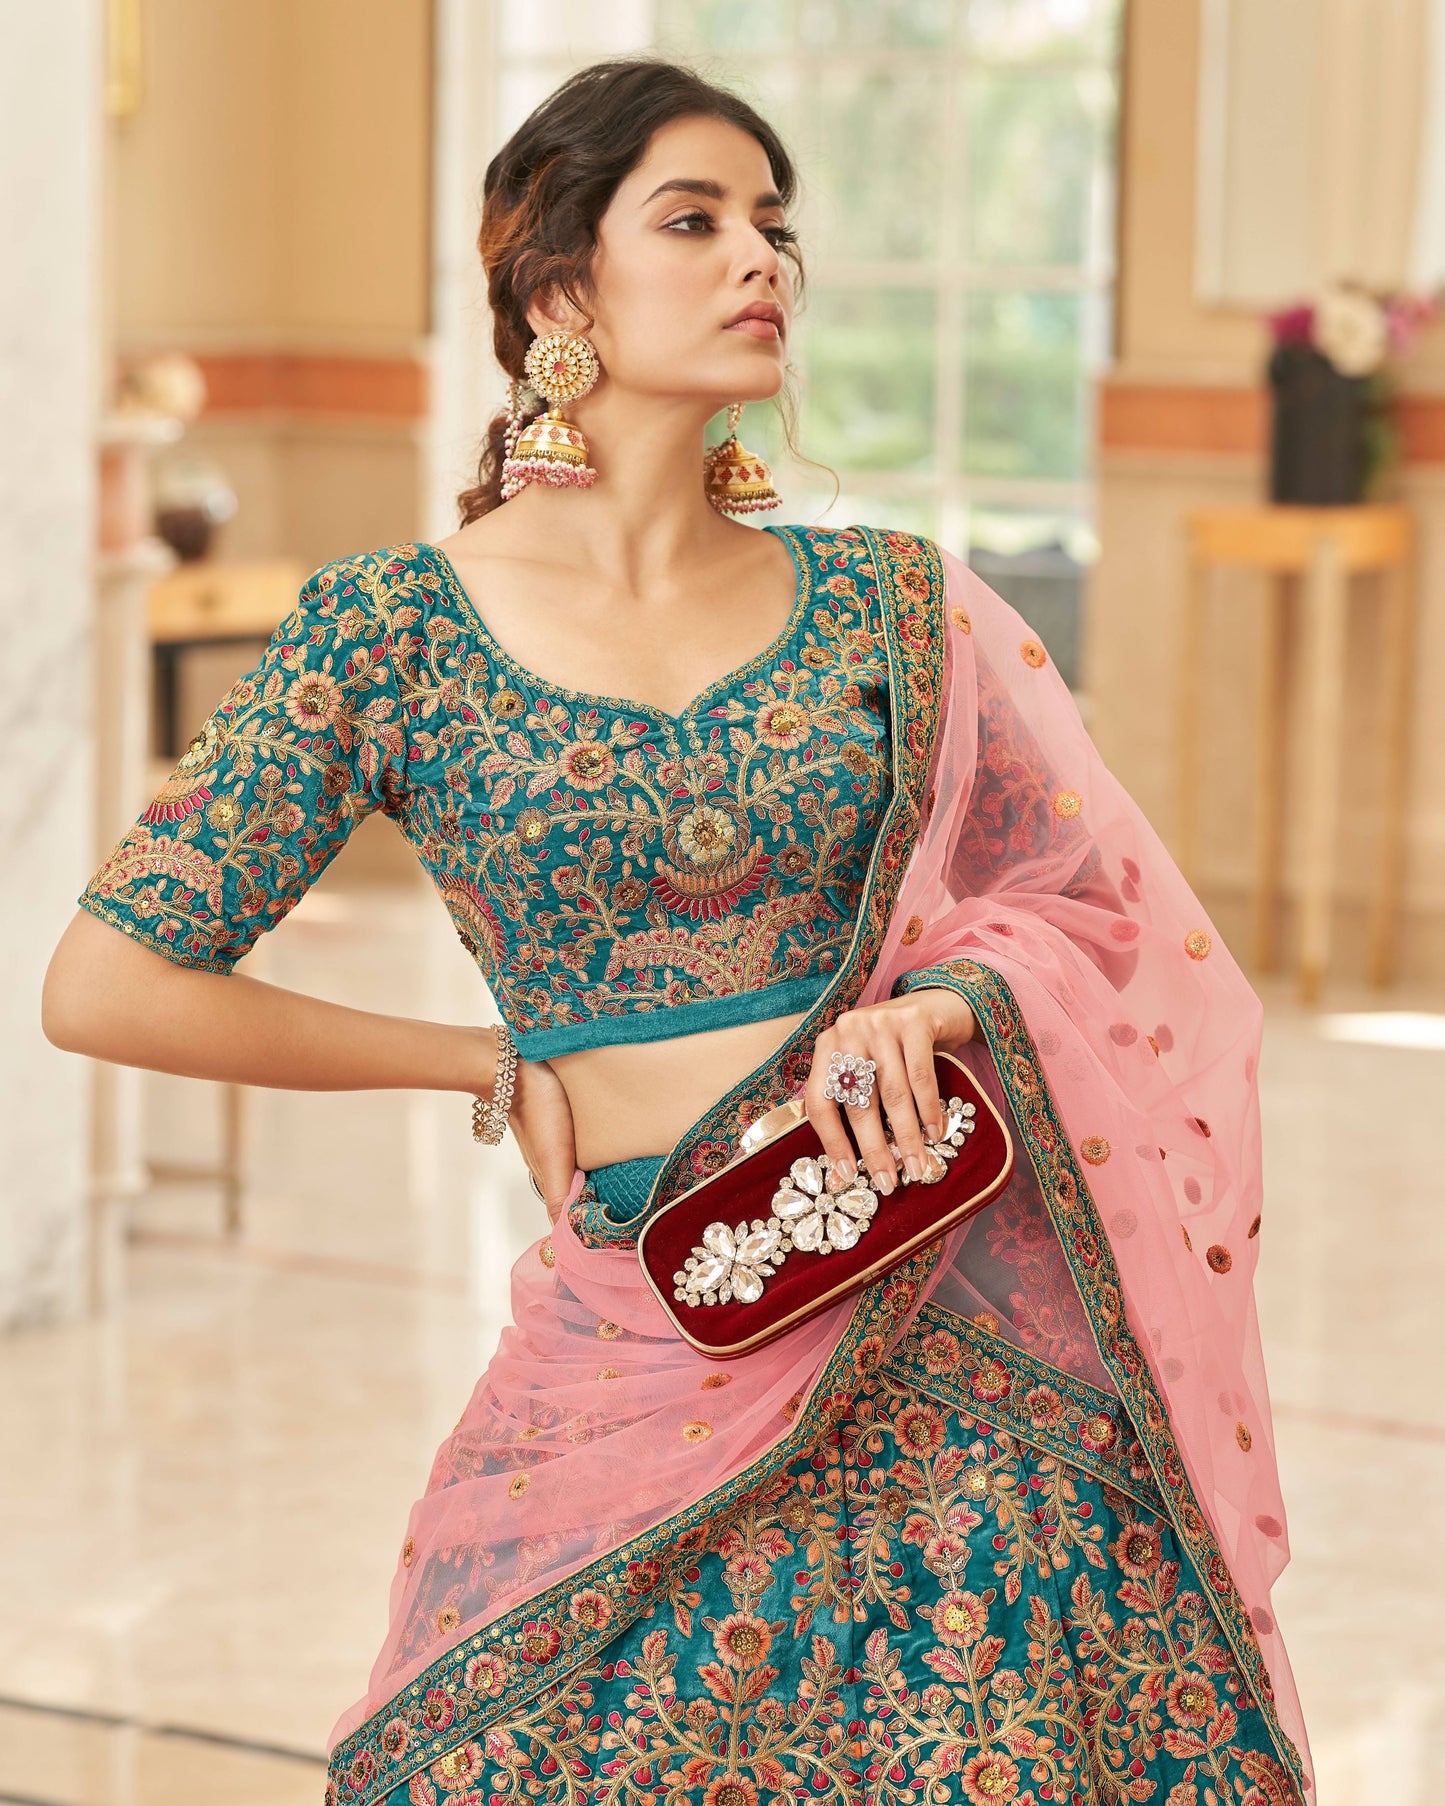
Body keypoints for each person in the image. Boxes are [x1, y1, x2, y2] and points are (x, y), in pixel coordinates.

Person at [45, 58, 1312, 1806]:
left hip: (949, 1315)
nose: (760, 261)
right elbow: (109, 981)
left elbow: (1093, 903)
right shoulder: (385, 633)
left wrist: (941, 1001)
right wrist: (484, 1062)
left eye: (775, 227)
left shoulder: (896, 605)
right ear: (559, 286)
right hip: (641, 1314)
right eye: (695, 220)